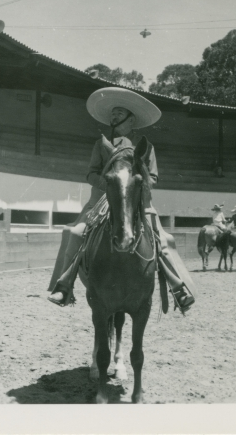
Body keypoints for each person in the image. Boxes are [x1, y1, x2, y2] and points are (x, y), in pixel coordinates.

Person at [47, 87, 196, 315]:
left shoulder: (146, 146)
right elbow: (91, 173)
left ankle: (178, 287)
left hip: (137, 201)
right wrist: (109, 185)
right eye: (113, 113)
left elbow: (153, 177)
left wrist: (133, 186)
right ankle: (64, 286)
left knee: (162, 240)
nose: (113, 116)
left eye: (118, 113)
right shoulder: (101, 144)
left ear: (131, 119)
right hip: (100, 202)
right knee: (76, 233)